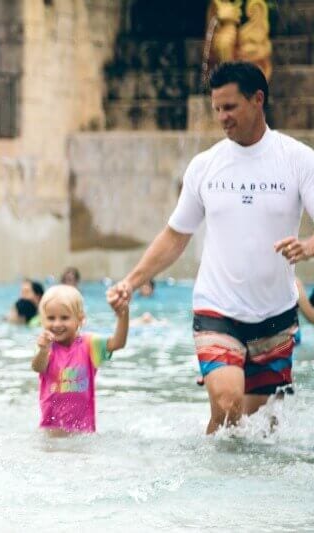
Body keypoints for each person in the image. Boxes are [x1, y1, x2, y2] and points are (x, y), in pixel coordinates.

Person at [107, 61, 314, 434]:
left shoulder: (298, 160)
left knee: (248, 427)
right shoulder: (205, 166)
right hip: (217, 307)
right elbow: (175, 235)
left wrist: (309, 245)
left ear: (257, 99)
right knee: (228, 401)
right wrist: (131, 281)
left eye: (230, 107)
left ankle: (225, 485)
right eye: (217, 108)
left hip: (276, 315)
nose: (221, 117)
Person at [31, 285, 128, 435]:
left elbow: (118, 343)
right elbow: (38, 367)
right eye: (51, 318)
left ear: (80, 319)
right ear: (43, 320)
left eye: (64, 317)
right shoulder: (46, 347)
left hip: (83, 430)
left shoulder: (90, 344)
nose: (57, 324)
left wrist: (123, 315)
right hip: (52, 428)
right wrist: (43, 350)